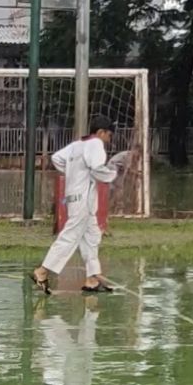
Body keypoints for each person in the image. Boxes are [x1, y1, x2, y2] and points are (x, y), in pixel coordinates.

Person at [32, 115, 125, 297]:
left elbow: (57, 158)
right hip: (82, 197)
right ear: (100, 133)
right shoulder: (95, 144)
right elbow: (97, 167)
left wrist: (73, 173)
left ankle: (92, 279)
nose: (109, 139)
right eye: (109, 135)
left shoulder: (76, 145)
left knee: (92, 235)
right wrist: (112, 175)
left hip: (77, 196)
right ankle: (42, 271)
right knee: (71, 235)